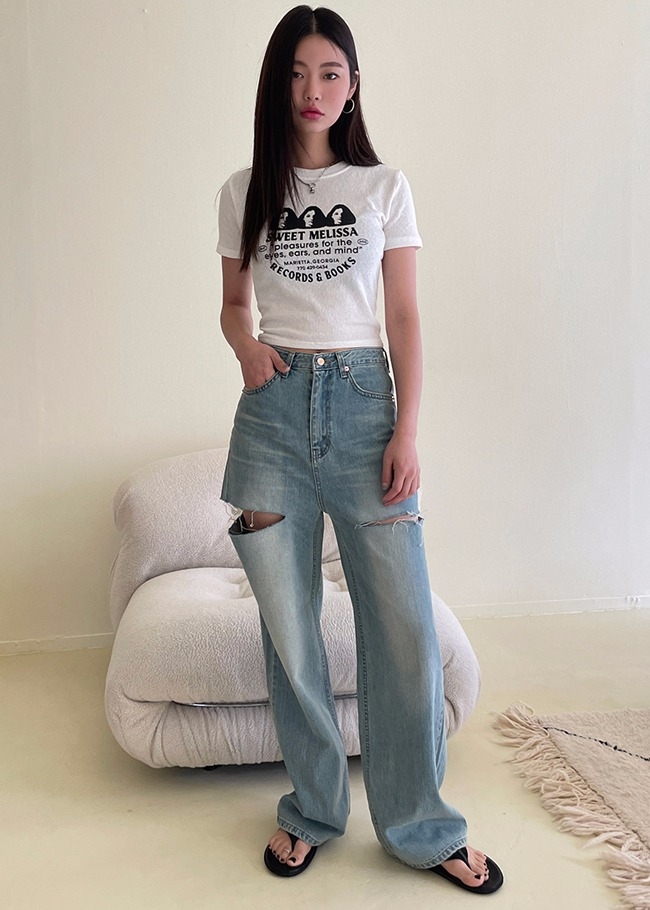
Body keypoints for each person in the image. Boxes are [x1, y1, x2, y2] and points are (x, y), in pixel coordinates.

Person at [216, 5, 503, 894]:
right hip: (271, 413)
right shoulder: (243, 190)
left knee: (405, 628)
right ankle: (311, 809)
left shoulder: (384, 186)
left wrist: (407, 430)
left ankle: (421, 826)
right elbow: (232, 305)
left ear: (352, 85)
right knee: (289, 630)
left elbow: (405, 316)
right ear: (277, 84)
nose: (314, 90)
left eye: (330, 72)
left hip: (366, 405)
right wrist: (246, 347)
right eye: (298, 73)